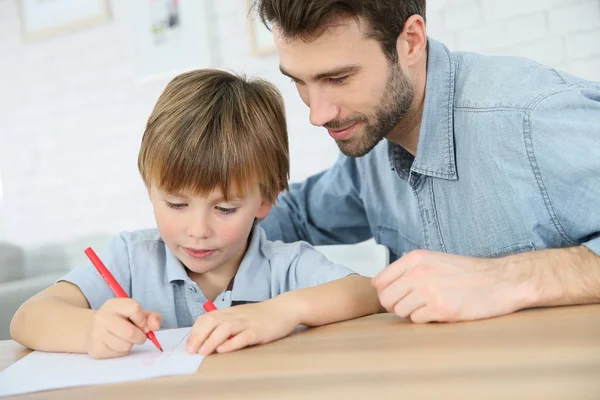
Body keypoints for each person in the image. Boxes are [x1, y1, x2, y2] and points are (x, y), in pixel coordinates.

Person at [254, 0, 600, 323]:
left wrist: (507, 278)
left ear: (411, 41)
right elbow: (295, 215)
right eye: (298, 81)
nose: (318, 114)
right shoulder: (371, 140)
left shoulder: (532, 117)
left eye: (339, 78)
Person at [10, 69, 382, 359]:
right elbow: (28, 318)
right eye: (176, 204)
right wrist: (91, 331)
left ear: (267, 199)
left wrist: (283, 311)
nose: (198, 230)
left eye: (225, 208)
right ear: (149, 189)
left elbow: (368, 293)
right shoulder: (129, 258)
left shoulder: (284, 267)